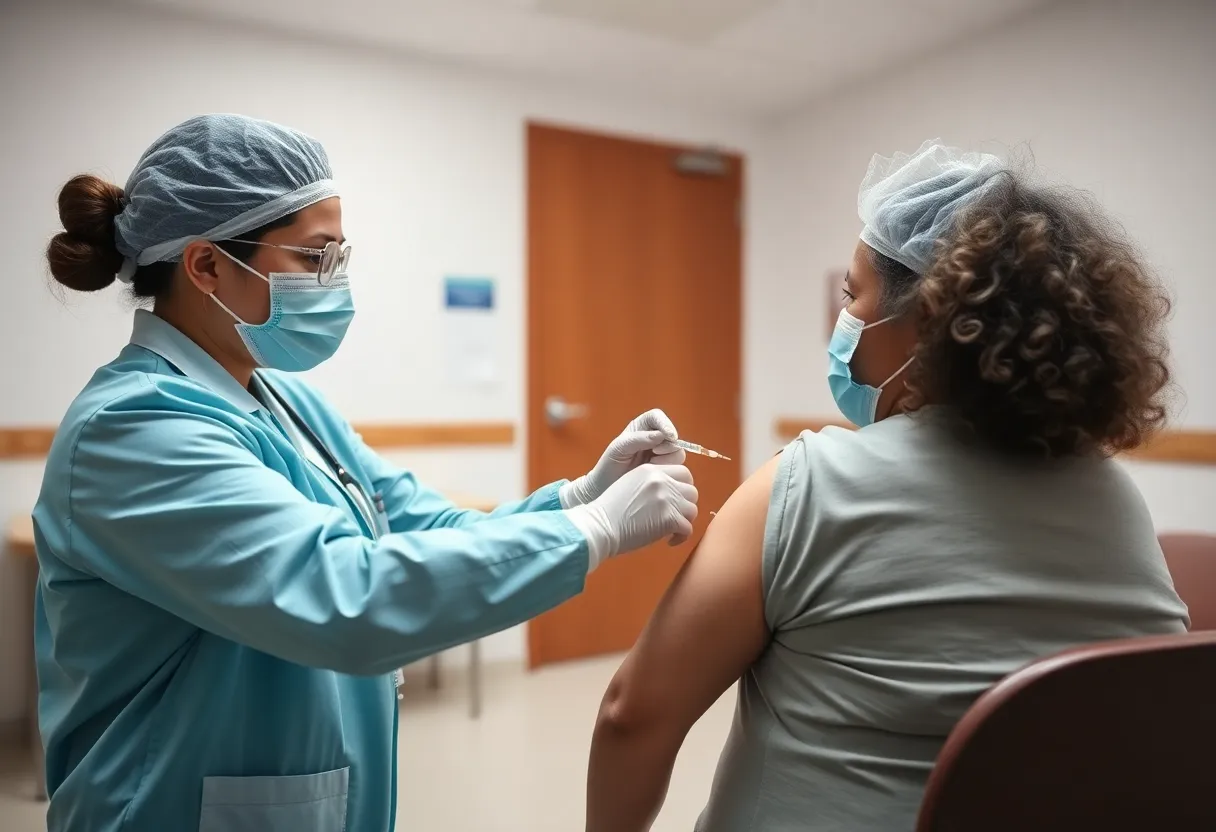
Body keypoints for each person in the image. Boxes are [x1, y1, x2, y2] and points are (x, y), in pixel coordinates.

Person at [34, 114, 699, 832]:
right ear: (206, 267)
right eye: (316, 258)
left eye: (341, 257)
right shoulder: (134, 430)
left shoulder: (287, 403)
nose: (336, 282)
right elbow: (345, 595)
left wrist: (578, 496)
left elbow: (422, 526)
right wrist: (592, 531)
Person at [584, 140, 1189, 832]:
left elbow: (632, 715)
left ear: (929, 321)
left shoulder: (808, 485)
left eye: (852, 295)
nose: (842, 320)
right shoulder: (1119, 504)